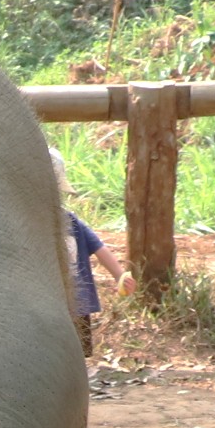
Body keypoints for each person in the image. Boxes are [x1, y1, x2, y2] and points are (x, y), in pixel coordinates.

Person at [51, 145, 134, 360]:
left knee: (77, 355)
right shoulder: (29, 224)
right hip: (49, 303)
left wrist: (119, 275)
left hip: (77, 302)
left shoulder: (71, 221)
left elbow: (99, 248)